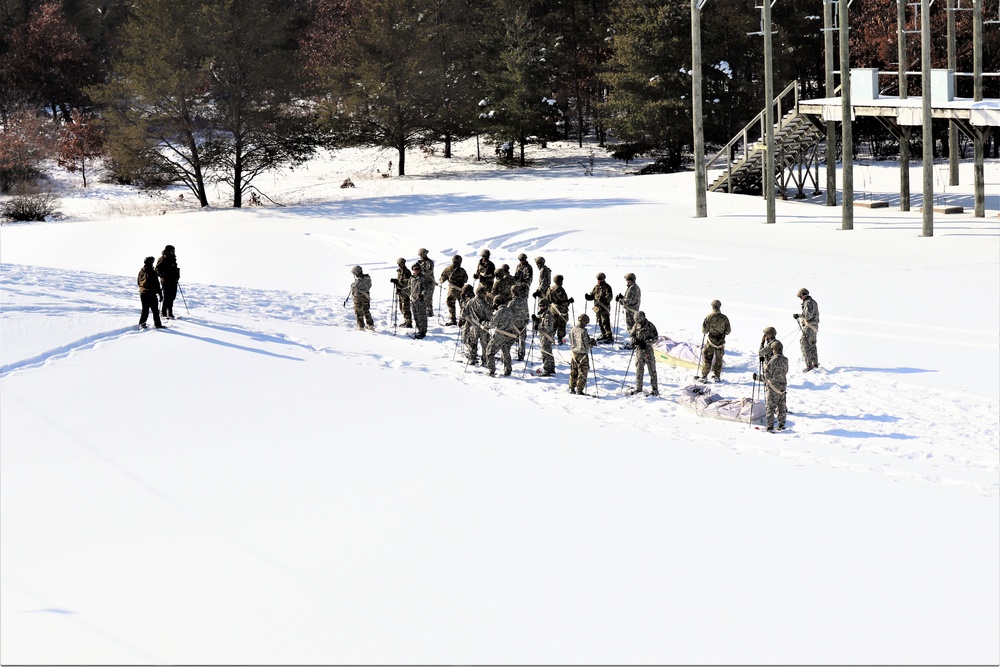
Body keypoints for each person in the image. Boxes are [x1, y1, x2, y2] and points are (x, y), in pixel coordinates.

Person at [754, 339, 788, 432]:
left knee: (770, 407)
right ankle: (781, 424)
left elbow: (767, 376)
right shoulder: (785, 359)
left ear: (774, 349)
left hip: (773, 387)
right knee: (781, 406)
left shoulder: (773, 360)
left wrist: (757, 378)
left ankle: (770, 426)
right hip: (782, 386)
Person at [485, 295, 518, 376]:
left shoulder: (500, 311)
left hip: (501, 335)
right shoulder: (510, 310)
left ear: (497, 303)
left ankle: (491, 370)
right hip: (510, 335)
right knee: (506, 352)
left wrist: (483, 322)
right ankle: (508, 370)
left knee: (489, 351)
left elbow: (492, 324)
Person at [700, 299, 731, 382]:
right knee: (719, 359)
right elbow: (728, 331)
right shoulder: (724, 318)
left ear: (712, 306)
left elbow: (704, 331)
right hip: (720, 342)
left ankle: (704, 376)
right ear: (720, 306)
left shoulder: (709, 317)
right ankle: (716, 376)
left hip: (711, 342)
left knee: (707, 358)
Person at [628, 311, 659, 396]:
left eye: (639, 320)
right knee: (639, 370)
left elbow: (655, 337)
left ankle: (655, 389)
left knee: (652, 371)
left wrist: (647, 342)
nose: (638, 322)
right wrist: (634, 340)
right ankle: (639, 388)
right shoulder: (636, 325)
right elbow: (632, 334)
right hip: (639, 352)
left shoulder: (650, 326)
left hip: (648, 351)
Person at [462, 285, 493, 364]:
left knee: (472, 343)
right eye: (485, 292)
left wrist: (469, 320)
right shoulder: (486, 305)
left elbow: (464, 314)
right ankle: (484, 360)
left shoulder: (470, 301)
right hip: (484, 328)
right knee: (485, 344)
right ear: (481, 293)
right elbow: (490, 318)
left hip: (473, 326)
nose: (486, 294)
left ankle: (472, 357)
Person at [568, 313, 595, 394]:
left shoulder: (572, 330)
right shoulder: (583, 331)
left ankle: (571, 388)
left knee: (574, 371)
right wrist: (592, 343)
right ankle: (579, 390)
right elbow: (587, 345)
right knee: (582, 373)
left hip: (574, 354)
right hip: (582, 355)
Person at [794, 287, 820, 371]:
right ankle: (815, 363)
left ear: (804, 295)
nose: (800, 298)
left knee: (804, 344)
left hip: (809, 326)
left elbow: (808, 316)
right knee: (812, 343)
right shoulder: (813, 302)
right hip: (814, 326)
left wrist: (799, 315)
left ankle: (808, 365)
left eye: (800, 297)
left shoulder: (808, 303)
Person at [438, 255, 468, 325]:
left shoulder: (447, 269)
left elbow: (442, 279)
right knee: (462, 304)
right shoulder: (462, 270)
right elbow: (466, 280)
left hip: (452, 289)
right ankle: (462, 320)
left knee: (450, 303)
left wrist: (441, 281)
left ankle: (453, 320)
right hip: (461, 289)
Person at [531, 296, 556, 376]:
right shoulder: (543, 313)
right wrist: (536, 319)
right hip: (543, 336)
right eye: (540, 306)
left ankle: (546, 370)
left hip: (546, 336)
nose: (541, 307)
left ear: (546, 305)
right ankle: (551, 368)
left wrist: (538, 327)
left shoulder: (548, 315)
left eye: (543, 306)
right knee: (548, 352)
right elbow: (541, 321)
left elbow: (547, 328)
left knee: (545, 353)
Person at [585, 272, 614, 343]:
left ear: (603, 279)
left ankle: (609, 336)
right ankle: (603, 334)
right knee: (600, 322)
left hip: (604, 308)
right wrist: (589, 297)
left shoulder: (607, 287)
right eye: (598, 279)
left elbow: (610, 297)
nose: (599, 281)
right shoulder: (596, 287)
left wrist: (604, 299)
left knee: (605, 322)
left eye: (600, 279)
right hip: (597, 308)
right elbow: (593, 295)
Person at [137, 256, 164, 329]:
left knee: (145, 309)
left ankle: (142, 324)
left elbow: (138, 282)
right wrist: (160, 294)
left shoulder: (141, 271)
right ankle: (157, 324)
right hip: (151, 293)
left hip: (143, 293)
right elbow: (157, 284)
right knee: (155, 310)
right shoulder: (152, 272)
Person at [155, 245, 180, 319]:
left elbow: (175, 269)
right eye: (171, 251)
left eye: (173, 251)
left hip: (173, 281)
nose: (172, 252)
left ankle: (170, 312)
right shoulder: (162, 258)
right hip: (166, 281)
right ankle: (164, 312)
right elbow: (157, 269)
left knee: (172, 296)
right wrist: (163, 275)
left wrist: (177, 276)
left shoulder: (173, 258)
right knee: (167, 296)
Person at [409, 263, 433, 338]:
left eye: (417, 269)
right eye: (414, 269)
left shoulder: (423, 278)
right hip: (413, 300)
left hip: (420, 301)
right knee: (415, 315)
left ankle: (423, 331)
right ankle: (419, 329)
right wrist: (401, 291)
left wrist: (422, 295)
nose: (416, 270)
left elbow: (427, 289)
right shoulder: (412, 279)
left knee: (422, 316)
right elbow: (409, 288)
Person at [546, 274, 572, 344]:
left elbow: (547, 299)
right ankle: (560, 339)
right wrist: (570, 301)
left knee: (553, 324)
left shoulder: (550, 288)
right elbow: (564, 302)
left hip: (553, 309)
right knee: (561, 324)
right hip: (561, 310)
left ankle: (551, 338)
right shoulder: (561, 289)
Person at [616, 273, 641, 343]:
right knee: (634, 327)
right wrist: (623, 297)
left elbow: (627, 301)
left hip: (631, 311)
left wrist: (620, 300)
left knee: (631, 328)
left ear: (630, 280)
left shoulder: (631, 288)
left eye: (627, 279)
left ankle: (633, 342)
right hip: (634, 310)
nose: (626, 281)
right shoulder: (636, 287)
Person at [349, 265, 374, 330]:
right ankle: (370, 325)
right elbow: (370, 286)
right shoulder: (367, 278)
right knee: (366, 311)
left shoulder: (359, 280)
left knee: (359, 312)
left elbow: (353, 287)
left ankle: (361, 326)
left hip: (359, 298)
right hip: (366, 297)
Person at [510, 283, 530, 361]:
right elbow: (527, 312)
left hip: (514, 325)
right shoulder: (524, 302)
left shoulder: (511, 303)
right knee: (522, 340)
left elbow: (508, 313)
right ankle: (521, 355)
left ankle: (505, 354)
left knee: (509, 340)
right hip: (523, 324)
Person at [390, 258, 413, 328]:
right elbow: (400, 280)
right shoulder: (399, 271)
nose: (400, 265)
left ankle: (409, 323)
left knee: (406, 307)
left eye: (401, 263)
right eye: (399, 264)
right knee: (401, 307)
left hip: (405, 291)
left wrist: (398, 282)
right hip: (400, 291)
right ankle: (406, 321)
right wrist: (396, 281)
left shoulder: (407, 272)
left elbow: (409, 282)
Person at [417, 248, 435, 317]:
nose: (421, 256)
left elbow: (428, 271)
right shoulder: (420, 262)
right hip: (422, 282)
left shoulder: (429, 262)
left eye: (422, 254)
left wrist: (420, 268)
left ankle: (429, 312)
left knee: (428, 297)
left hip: (429, 282)